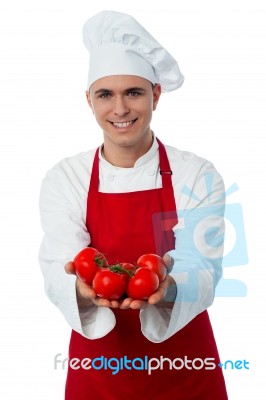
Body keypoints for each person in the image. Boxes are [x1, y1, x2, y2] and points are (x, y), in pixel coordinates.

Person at [39, 10, 228, 400]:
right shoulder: (66, 178)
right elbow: (58, 263)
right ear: (89, 100)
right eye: (106, 94)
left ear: (156, 95)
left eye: (134, 92)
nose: (120, 109)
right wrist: (80, 287)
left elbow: (203, 267)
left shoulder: (197, 174)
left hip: (185, 366)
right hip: (100, 368)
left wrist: (170, 285)